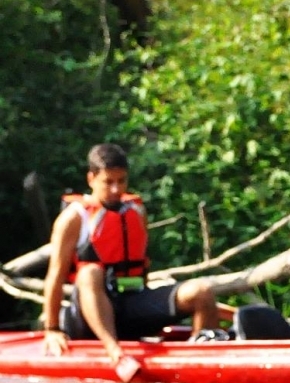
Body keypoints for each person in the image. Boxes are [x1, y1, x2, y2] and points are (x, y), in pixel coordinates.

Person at [40, 143, 223, 367]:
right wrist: (52, 329)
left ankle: (201, 361)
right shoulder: (74, 218)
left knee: (201, 292)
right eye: (108, 182)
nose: (117, 189)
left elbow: (142, 268)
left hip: (131, 306)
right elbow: (55, 276)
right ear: (91, 179)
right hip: (89, 317)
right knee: (90, 272)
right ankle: (114, 351)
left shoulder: (136, 211)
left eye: (122, 181)